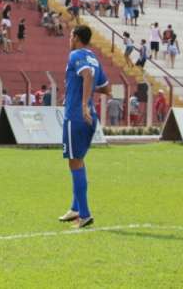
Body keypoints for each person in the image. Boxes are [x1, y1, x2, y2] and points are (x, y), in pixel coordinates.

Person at [57, 25, 111, 229]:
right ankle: (75, 208)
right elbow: (107, 88)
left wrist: (82, 103)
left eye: (71, 35)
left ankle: (85, 214)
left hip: (77, 116)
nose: (69, 39)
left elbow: (87, 75)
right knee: (78, 161)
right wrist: (85, 96)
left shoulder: (76, 55)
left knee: (74, 162)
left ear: (77, 38)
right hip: (90, 117)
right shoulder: (94, 57)